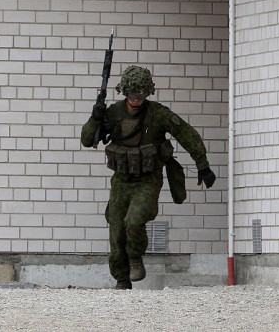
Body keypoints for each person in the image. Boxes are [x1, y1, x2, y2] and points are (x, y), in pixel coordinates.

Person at [81, 65, 216, 290]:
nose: (136, 99)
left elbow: (187, 134)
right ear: (124, 92)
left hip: (148, 180)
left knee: (133, 221)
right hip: (122, 180)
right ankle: (121, 280)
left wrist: (202, 166)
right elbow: (87, 140)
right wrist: (95, 119)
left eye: (141, 94)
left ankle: (135, 257)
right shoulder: (113, 113)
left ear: (148, 92)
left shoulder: (158, 113)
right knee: (116, 229)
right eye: (132, 95)